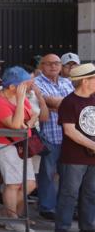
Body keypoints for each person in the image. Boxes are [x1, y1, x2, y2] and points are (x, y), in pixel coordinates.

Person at [0, 66, 41, 231]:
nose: (27, 87)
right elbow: (14, 125)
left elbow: (33, 114)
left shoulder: (21, 96)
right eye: (24, 84)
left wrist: (26, 124)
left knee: (30, 184)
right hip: (5, 145)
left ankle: (7, 214)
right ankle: (13, 220)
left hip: (21, 145)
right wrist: (20, 102)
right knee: (13, 183)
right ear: (13, 87)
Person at [54, 63, 95, 232]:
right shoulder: (69, 102)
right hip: (74, 157)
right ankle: (62, 226)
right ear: (85, 81)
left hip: (91, 157)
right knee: (69, 192)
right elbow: (70, 131)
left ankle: (87, 226)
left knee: (91, 192)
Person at [35, 53, 75, 220]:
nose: (54, 66)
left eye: (57, 63)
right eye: (49, 63)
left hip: (69, 137)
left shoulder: (67, 82)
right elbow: (51, 102)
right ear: (41, 66)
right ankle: (47, 207)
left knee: (67, 176)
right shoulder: (37, 83)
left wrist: (58, 105)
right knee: (47, 174)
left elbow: (74, 104)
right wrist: (56, 104)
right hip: (48, 136)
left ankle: (65, 209)